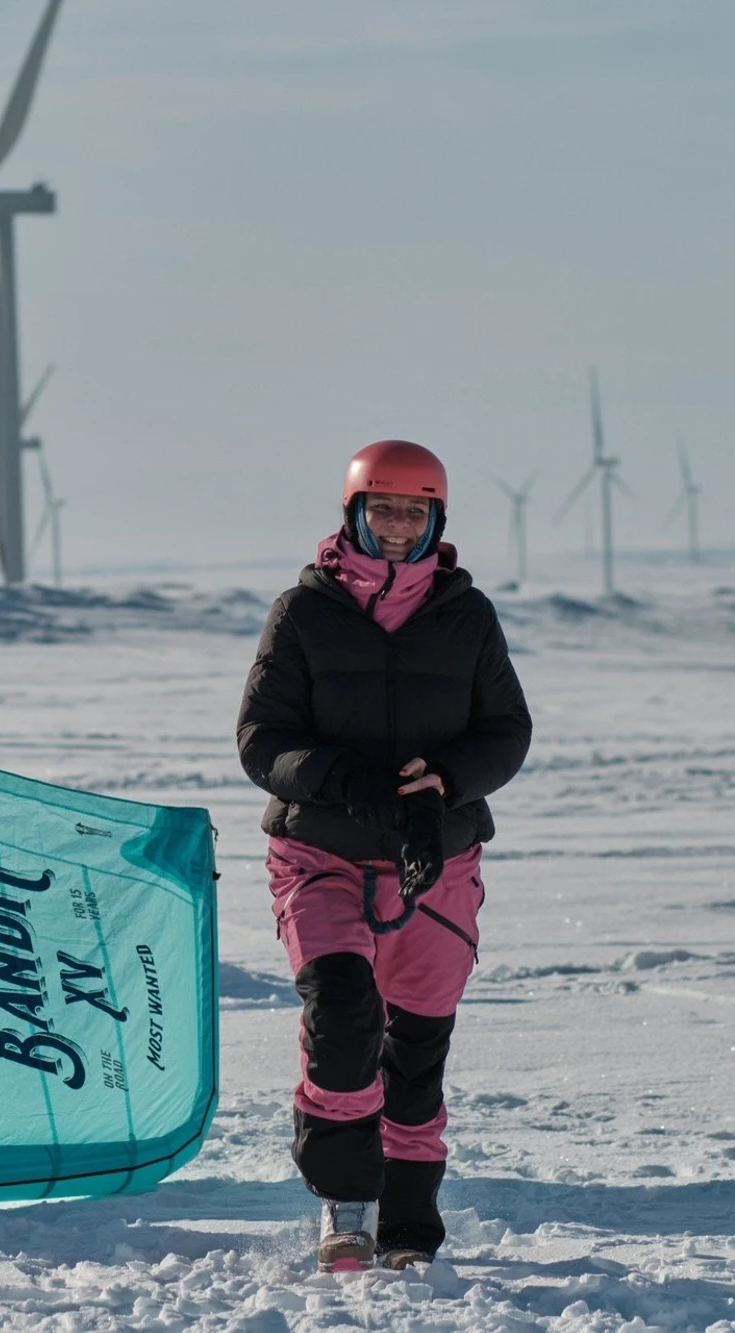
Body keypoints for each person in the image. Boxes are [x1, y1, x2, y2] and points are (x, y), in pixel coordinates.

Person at [236, 440, 531, 1273]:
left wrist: (448, 780)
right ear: (352, 514)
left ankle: (408, 1224)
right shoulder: (304, 611)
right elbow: (261, 739)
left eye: (414, 511)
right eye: (383, 509)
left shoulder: (465, 614)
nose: (398, 527)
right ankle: (345, 1205)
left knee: (416, 1050)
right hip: (320, 851)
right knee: (342, 1013)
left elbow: (507, 730)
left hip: (436, 857)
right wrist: (342, 778)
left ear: (437, 519)